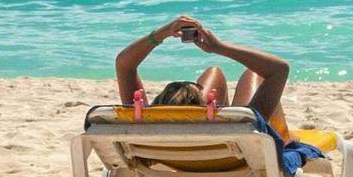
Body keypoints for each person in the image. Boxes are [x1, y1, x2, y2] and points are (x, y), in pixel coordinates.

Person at [115, 15, 291, 123]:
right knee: (253, 73)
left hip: (166, 161)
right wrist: (219, 47)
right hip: (230, 161)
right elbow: (279, 69)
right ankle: (284, 135)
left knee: (214, 71)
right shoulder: (242, 126)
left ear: (157, 105)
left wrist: (163, 32)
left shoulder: (143, 123)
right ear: (207, 105)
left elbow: (124, 65)